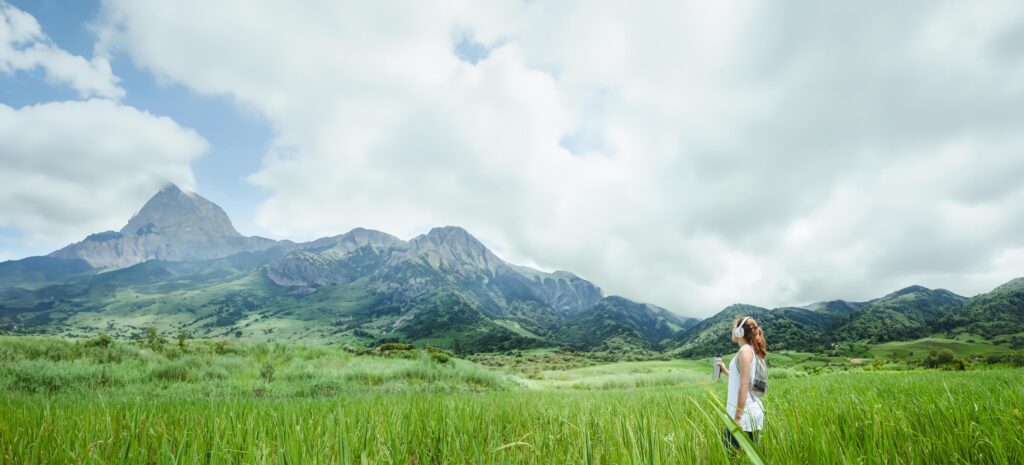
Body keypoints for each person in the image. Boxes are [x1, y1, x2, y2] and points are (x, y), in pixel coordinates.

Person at [716, 316, 767, 451]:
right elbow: (743, 378)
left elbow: (744, 385)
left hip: (744, 415)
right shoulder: (749, 350)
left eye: (733, 327)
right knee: (745, 457)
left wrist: (738, 417)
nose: (732, 330)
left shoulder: (744, 351)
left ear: (739, 331)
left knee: (731, 456)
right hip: (748, 414)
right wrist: (726, 371)